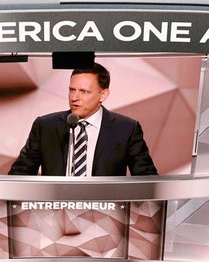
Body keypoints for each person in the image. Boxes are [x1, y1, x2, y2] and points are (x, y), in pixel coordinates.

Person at [8, 63, 157, 177]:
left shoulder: (126, 129)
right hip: (53, 212)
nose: (74, 98)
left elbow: (147, 180)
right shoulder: (46, 126)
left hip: (106, 213)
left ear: (103, 95)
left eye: (83, 92)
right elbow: (20, 174)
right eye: (72, 90)